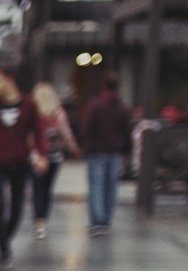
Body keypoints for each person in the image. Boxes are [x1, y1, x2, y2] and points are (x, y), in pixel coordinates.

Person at [0, 66, 48, 267]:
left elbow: (39, 132)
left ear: (10, 80)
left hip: (20, 162)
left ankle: (4, 239)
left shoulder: (28, 105)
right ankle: (3, 251)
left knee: (17, 209)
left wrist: (42, 155)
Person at [29, 81, 82, 239]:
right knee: (47, 189)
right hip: (55, 157)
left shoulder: (34, 113)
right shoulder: (59, 114)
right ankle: (43, 220)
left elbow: (29, 135)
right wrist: (75, 148)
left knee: (37, 189)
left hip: (36, 157)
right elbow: (66, 134)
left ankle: (38, 221)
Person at [81, 72, 131, 235]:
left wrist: (85, 145)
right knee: (111, 187)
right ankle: (107, 220)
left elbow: (87, 128)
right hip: (115, 151)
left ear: (104, 87)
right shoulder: (123, 107)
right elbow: (127, 131)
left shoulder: (96, 105)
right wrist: (125, 151)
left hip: (96, 150)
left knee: (96, 186)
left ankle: (97, 221)